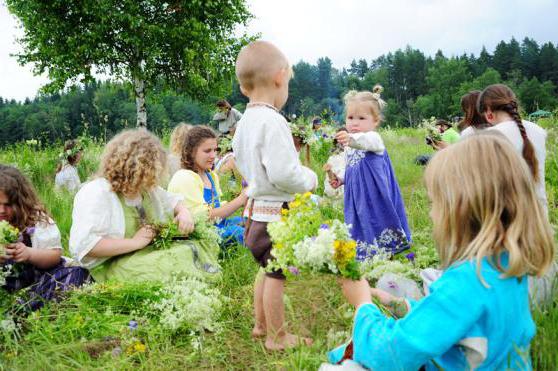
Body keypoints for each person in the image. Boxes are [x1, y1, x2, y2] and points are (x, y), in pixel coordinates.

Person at [326, 134, 555, 370]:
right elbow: (454, 320)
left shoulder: (466, 282)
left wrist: (363, 305)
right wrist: (398, 303)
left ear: (460, 210)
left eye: (434, 203)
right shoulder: (505, 266)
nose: (431, 214)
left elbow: (391, 353)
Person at [233, 40, 317, 350]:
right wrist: (309, 178)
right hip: (274, 213)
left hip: (254, 212)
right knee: (277, 274)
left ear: (244, 89)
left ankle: (260, 325)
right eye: (288, 84)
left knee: (265, 269)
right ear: (280, 77)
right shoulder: (273, 121)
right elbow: (283, 173)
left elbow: (244, 164)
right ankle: (277, 337)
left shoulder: (244, 123)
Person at [70, 129, 221, 283]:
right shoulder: (97, 192)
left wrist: (183, 212)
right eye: (150, 171)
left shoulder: (146, 189)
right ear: (134, 169)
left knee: (193, 247)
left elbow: (172, 200)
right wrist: (134, 243)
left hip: (144, 253)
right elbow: (87, 246)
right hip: (111, 263)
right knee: (161, 268)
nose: (153, 178)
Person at [331, 90, 411, 259]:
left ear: (375, 121)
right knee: (359, 220)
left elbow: (364, 142)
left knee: (377, 218)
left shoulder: (373, 138)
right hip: (357, 194)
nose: (354, 123)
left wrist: (351, 139)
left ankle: (386, 249)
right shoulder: (349, 146)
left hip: (374, 194)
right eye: (350, 118)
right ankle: (366, 251)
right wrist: (342, 179)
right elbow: (352, 166)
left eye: (361, 118)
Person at [1, 165, 90, 311]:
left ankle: (31, 309)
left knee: (75, 275)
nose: (2, 211)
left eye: (8, 205)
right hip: (4, 290)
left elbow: (54, 255)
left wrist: (29, 254)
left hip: (36, 285)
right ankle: (19, 312)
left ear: (21, 201)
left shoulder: (35, 220)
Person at [168, 126, 247, 247]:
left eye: (215, 150)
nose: (213, 156)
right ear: (191, 151)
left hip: (217, 226)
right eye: (207, 151)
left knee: (251, 223)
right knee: (241, 233)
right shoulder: (184, 177)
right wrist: (240, 200)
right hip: (198, 235)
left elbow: (219, 209)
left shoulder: (210, 175)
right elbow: (204, 218)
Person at [323, 128, 347, 199]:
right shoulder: (333, 157)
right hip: (337, 187)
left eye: (344, 138)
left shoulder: (354, 153)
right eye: (339, 139)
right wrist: (329, 171)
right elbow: (331, 179)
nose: (342, 142)